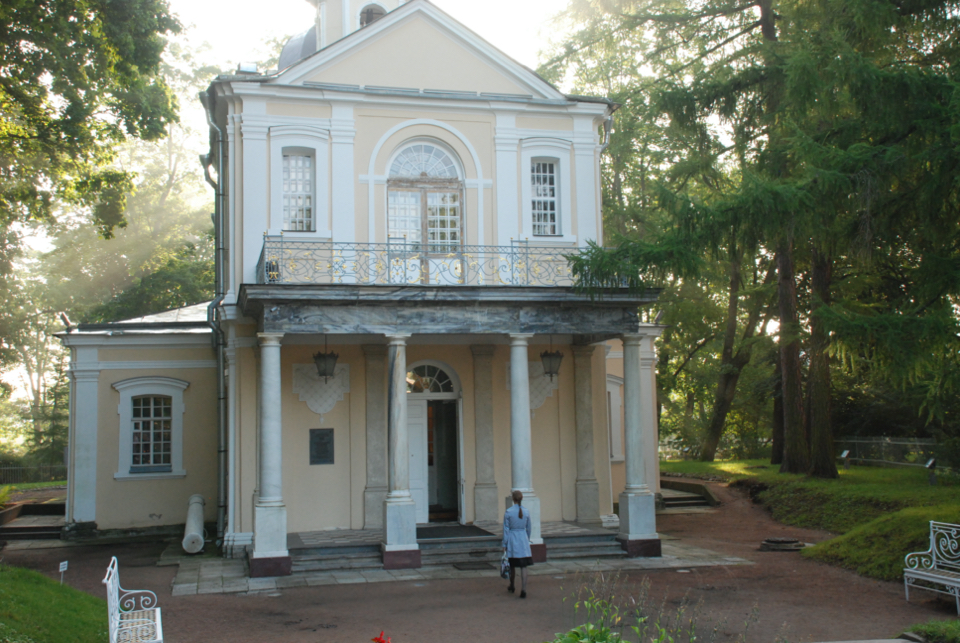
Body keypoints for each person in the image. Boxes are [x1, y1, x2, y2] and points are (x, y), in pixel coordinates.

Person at [502, 489, 532, 598]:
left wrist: (504, 544)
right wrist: (526, 538)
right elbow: (529, 528)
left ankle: (512, 585)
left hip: (513, 538)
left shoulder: (509, 512)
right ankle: (523, 589)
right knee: (524, 566)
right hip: (522, 538)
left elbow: (506, 529)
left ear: (513, 499)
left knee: (512, 564)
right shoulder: (526, 511)